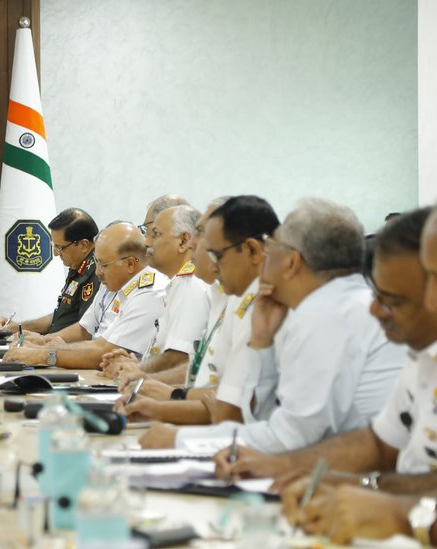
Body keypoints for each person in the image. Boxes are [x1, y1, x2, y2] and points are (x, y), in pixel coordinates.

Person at [141, 198, 405, 451]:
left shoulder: (326, 313)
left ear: (292, 261)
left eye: (272, 246)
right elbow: (262, 416)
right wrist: (262, 341)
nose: (265, 256)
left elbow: (289, 438)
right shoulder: (321, 304)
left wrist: (180, 439)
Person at [266, 207, 437, 545]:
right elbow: (381, 443)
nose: (374, 311)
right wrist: (354, 484)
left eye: (393, 301)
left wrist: (401, 514)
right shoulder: (422, 353)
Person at [114, 196, 274, 425]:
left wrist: (167, 398)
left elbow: (231, 407)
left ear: (252, 250)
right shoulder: (226, 296)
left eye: (203, 236)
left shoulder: (260, 304)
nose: (193, 245)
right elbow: (207, 380)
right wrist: (159, 402)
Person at [4, 222, 168, 369]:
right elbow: (85, 329)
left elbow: (104, 350)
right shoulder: (116, 282)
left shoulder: (150, 293)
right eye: (97, 263)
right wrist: (43, 343)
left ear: (130, 264)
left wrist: (44, 353)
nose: (97, 272)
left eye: (103, 265)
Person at [99, 205, 210, 381]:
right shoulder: (176, 283)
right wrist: (133, 364)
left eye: (155, 234)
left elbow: (178, 358)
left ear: (183, 241)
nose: (146, 242)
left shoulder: (190, 284)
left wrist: (132, 371)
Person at [0, 208, 100, 335]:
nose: (56, 254)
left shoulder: (97, 273)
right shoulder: (78, 268)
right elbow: (60, 318)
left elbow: (85, 331)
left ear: (84, 245)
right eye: (54, 246)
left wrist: (42, 343)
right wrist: (18, 328)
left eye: (60, 247)